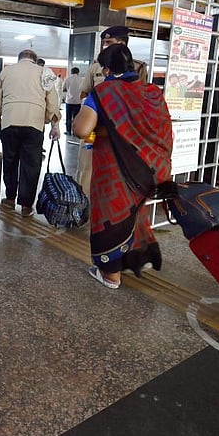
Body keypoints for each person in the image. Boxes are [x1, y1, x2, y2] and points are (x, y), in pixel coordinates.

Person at [73, 44, 173, 290]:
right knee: (134, 213)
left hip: (115, 168)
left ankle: (111, 275)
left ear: (106, 69)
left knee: (111, 217)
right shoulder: (152, 91)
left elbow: (81, 129)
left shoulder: (104, 92)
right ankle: (136, 259)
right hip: (149, 167)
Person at [0, 49, 61, 217]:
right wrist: (54, 124)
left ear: (19, 59)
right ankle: (26, 206)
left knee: (10, 160)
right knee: (31, 165)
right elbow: (52, 100)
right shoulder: (44, 72)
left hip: (10, 122)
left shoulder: (7, 71)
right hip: (34, 123)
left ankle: (9, 199)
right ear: (35, 60)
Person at [77, 25, 147, 194]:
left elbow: (140, 99)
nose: (105, 46)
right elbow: (84, 92)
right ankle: (83, 206)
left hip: (123, 133)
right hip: (94, 129)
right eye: (104, 43)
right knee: (87, 169)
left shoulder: (138, 68)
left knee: (118, 175)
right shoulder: (96, 67)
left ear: (122, 43)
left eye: (109, 42)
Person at [62, 67, 82, 136]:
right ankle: (75, 132)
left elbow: (63, 89)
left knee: (68, 117)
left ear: (71, 72)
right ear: (78, 72)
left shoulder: (67, 79)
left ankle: (68, 131)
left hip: (69, 101)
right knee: (76, 118)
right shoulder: (81, 79)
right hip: (78, 101)